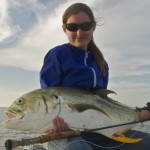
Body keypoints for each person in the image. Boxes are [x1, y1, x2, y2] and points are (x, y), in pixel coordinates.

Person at [40, 3, 150, 150]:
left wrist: (140, 113)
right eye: (73, 27)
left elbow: (102, 102)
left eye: (85, 26)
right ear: (64, 29)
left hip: (99, 132)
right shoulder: (57, 55)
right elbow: (48, 97)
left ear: (93, 27)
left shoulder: (101, 63)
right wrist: (54, 121)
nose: (79, 32)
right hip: (63, 134)